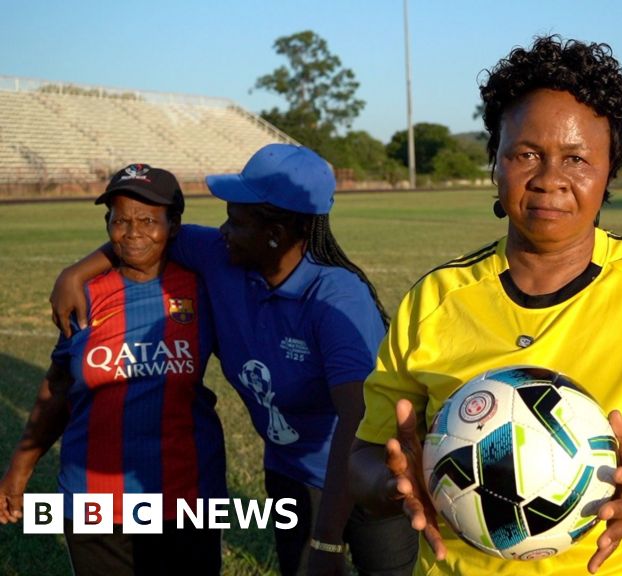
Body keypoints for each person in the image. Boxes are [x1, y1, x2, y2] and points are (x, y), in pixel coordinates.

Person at [349, 35, 622, 576]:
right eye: (526, 154)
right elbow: (364, 453)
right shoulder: (437, 299)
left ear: (609, 172)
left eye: (577, 159)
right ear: (495, 160)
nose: (549, 180)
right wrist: (393, 484)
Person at [50, 145, 418, 576]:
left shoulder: (336, 297)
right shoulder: (224, 259)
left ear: (277, 233)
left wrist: (326, 540)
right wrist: (74, 273)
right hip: (290, 474)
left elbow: (356, 421)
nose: (223, 230)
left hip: (367, 469)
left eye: (236, 221)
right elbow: (148, 234)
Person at [0, 164, 227, 575]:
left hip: (187, 494)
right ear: (106, 223)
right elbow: (58, 385)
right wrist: (20, 468)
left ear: (174, 226)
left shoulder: (203, 288)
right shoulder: (82, 295)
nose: (133, 232)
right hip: (93, 497)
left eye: (148, 221)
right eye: (120, 220)